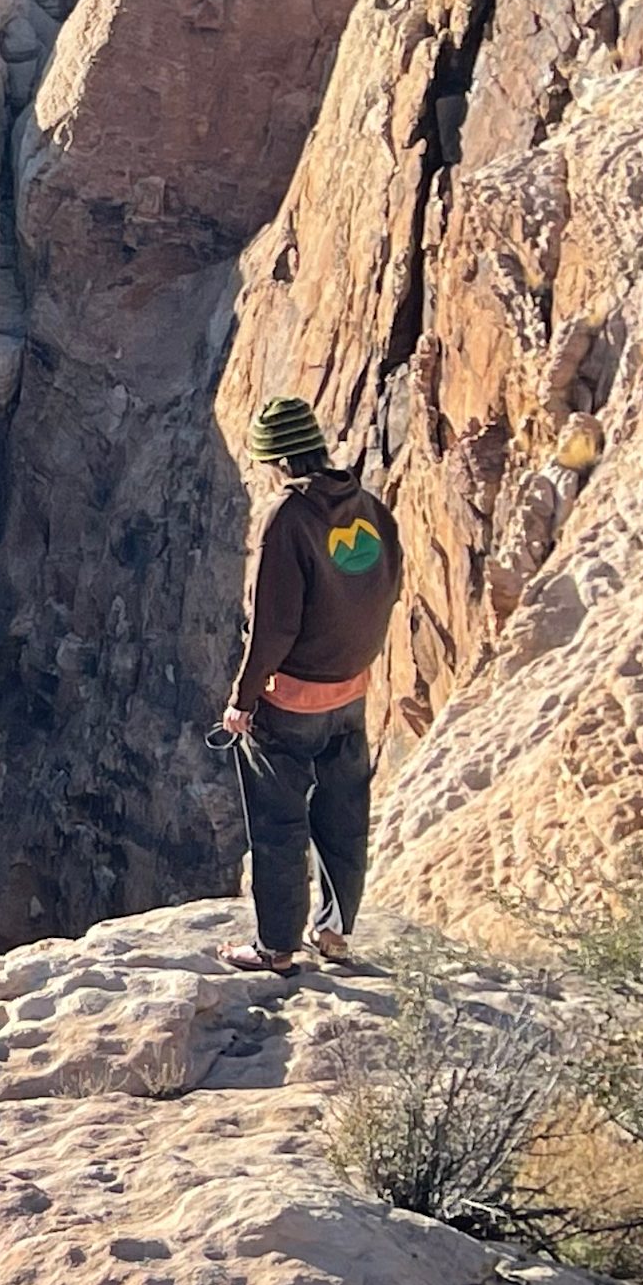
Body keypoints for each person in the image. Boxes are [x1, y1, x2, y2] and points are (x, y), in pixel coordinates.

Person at [219, 394, 402, 975]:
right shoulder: (369, 507)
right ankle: (337, 932)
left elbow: (273, 625)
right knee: (344, 815)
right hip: (350, 692)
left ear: (277, 461)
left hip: (292, 699)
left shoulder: (288, 519)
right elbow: (389, 584)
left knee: (279, 823)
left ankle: (276, 948)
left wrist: (242, 701)